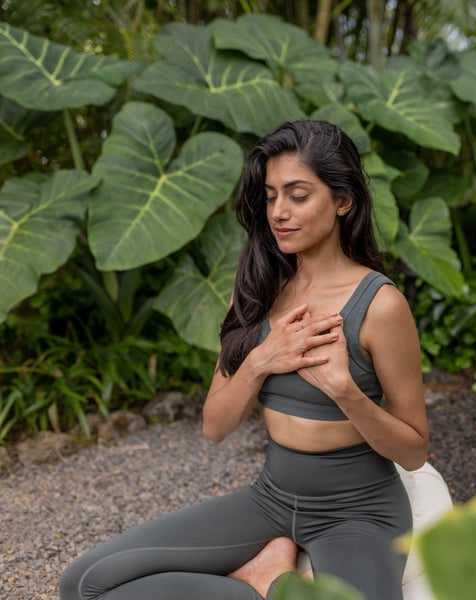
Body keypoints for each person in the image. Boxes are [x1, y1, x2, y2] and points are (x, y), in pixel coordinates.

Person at [59, 120, 430, 600]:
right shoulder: (258, 289)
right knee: (83, 584)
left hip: (357, 511)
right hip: (272, 498)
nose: (279, 211)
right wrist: (261, 360)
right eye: (271, 195)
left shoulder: (379, 306)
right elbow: (215, 425)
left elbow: (414, 450)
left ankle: (270, 582)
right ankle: (269, 578)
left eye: (298, 195)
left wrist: (345, 392)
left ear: (343, 201)